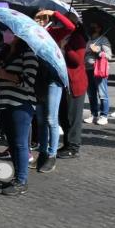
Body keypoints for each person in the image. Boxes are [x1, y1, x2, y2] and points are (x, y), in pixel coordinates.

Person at [0, 26, 39, 196]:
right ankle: (17, 177)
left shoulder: (28, 54)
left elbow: (29, 80)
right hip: (5, 102)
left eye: (10, 31)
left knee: (20, 143)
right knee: (12, 143)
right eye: (6, 30)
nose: (7, 34)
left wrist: (5, 75)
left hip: (21, 104)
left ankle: (22, 180)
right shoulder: (5, 53)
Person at [32, 9, 75, 173]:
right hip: (38, 79)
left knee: (51, 118)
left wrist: (55, 13)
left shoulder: (52, 32)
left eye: (41, 18)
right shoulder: (32, 35)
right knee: (41, 119)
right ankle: (43, 152)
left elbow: (70, 27)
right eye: (36, 19)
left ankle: (52, 154)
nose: (39, 21)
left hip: (52, 78)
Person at [58, 13, 87, 158]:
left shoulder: (78, 39)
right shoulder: (65, 37)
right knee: (63, 116)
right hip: (64, 82)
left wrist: (65, 48)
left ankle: (74, 147)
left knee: (73, 117)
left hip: (75, 83)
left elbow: (77, 61)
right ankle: (67, 144)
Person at [84, 20, 112, 125]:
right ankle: (94, 114)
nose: (91, 28)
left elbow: (109, 56)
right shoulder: (89, 40)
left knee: (102, 93)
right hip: (88, 69)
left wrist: (98, 52)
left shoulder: (103, 40)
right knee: (91, 94)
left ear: (99, 28)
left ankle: (104, 115)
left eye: (94, 26)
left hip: (98, 70)